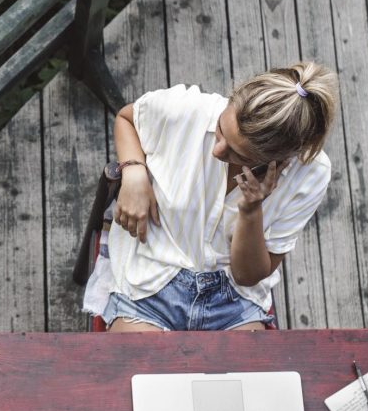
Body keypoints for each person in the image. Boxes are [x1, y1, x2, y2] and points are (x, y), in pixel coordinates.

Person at [102, 62, 337, 332]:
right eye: (220, 131)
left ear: (282, 158)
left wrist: (251, 210)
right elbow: (127, 118)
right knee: (143, 372)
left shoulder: (311, 174)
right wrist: (133, 172)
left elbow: (247, 277)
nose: (217, 151)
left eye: (241, 155)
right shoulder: (188, 109)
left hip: (233, 300)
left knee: (248, 375)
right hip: (150, 277)